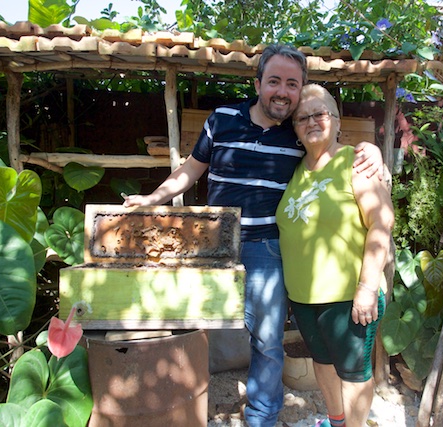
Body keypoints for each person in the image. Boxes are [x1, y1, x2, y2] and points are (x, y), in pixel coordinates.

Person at [123, 44, 383, 427]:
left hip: (267, 249)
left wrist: (373, 151)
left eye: (292, 84)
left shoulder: (298, 130)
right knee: (186, 323)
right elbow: (191, 169)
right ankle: (176, 403)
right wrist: (152, 198)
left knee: (267, 341)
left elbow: (335, 147)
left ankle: (262, 415)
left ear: (300, 90)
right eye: (274, 81)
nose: (282, 91)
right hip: (211, 244)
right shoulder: (223, 118)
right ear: (258, 83)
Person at [276, 84, 394, 427]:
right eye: (302, 117)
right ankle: (336, 420)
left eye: (320, 113)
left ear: (338, 121)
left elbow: (382, 222)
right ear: (295, 129)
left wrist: (368, 287)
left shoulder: (355, 163)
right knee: (323, 363)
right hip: (304, 298)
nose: (311, 121)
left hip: (349, 298)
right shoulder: (296, 171)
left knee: (355, 373)